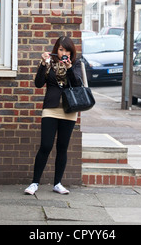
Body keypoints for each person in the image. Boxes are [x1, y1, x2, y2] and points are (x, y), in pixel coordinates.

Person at [24, 36, 82, 195]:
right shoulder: (49, 62)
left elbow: (77, 84)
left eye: (67, 50)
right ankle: (34, 183)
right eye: (61, 49)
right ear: (56, 49)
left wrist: (69, 68)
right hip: (51, 108)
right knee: (46, 145)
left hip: (69, 110)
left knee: (62, 147)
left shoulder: (76, 64)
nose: (64, 53)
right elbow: (38, 83)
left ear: (71, 52)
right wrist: (43, 64)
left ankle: (57, 183)